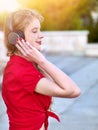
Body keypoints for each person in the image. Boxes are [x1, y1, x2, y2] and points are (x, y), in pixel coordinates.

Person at [2, 8, 81, 130]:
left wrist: (38, 60)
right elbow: (73, 90)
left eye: (39, 30)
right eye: (34, 31)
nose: (41, 35)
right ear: (16, 37)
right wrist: (42, 60)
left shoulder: (22, 64)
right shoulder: (21, 71)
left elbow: (58, 84)